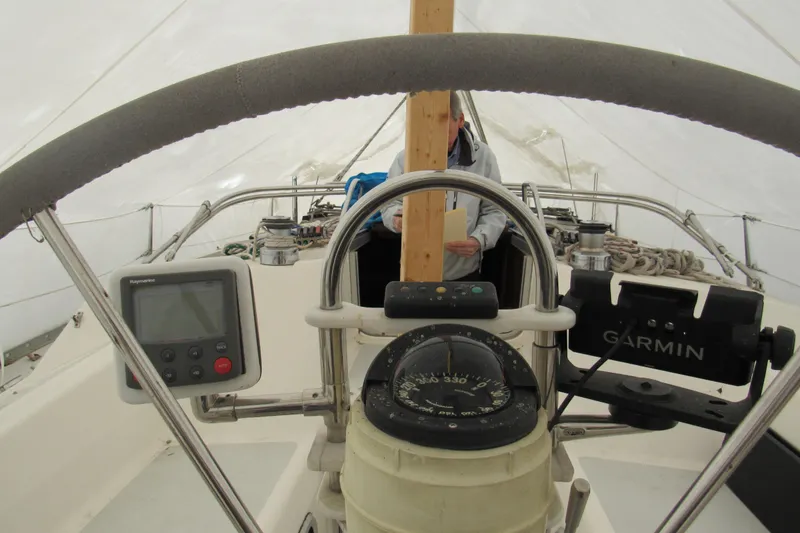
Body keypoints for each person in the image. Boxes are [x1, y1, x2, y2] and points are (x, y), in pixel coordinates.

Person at [380, 92, 507, 282]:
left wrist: (478, 240)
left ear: (460, 120)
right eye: (426, 122)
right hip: (414, 272)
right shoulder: (404, 159)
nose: (433, 133)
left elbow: (495, 210)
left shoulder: (484, 158)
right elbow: (388, 204)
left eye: (441, 122)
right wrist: (397, 219)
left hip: (463, 272)